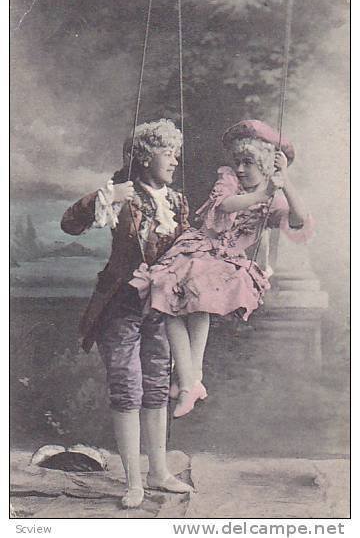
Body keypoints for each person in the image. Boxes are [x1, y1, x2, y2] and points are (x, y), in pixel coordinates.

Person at [130, 119, 314, 418]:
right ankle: (190, 379)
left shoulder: (274, 199)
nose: (240, 168)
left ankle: (190, 381)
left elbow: (299, 219)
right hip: (199, 248)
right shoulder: (230, 180)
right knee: (166, 295)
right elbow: (224, 206)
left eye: (249, 162)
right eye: (238, 161)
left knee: (197, 299)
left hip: (226, 261)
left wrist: (285, 181)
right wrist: (262, 192)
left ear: (267, 166)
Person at [61, 119, 193, 509]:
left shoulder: (178, 201)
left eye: (175, 152)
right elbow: (69, 224)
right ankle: (133, 482)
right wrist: (104, 195)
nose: (175, 159)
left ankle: (159, 473)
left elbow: (185, 249)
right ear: (144, 155)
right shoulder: (122, 195)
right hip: (118, 308)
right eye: (167, 152)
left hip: (159, 309)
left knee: (155, 386)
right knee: (127, 390)